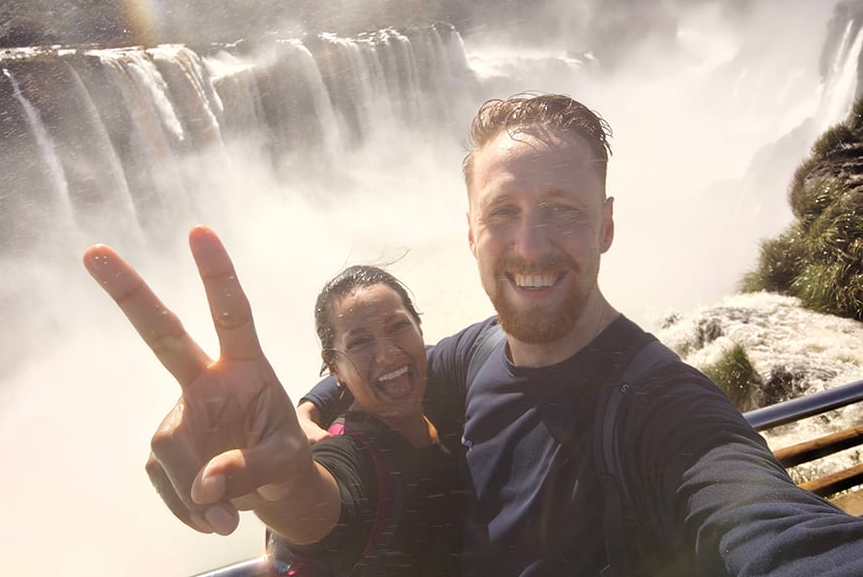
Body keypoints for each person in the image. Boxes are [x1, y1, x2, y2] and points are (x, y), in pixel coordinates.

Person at [298, 93, 863, 576]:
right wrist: (304, 412)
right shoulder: (481, 349)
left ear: (606, 225)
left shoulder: (664, 410)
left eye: (561, 209)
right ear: (471, 232)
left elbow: (774, 524)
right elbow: (395, 366)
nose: (530, 245)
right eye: (502, 213)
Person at [82, 227, 465, 575]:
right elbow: (320, 506)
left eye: (398, 327)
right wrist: (281, 487)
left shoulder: (446, 392)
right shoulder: (356, 455)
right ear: (333, 367)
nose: (388, 355)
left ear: (419, 329)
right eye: (360, 343)